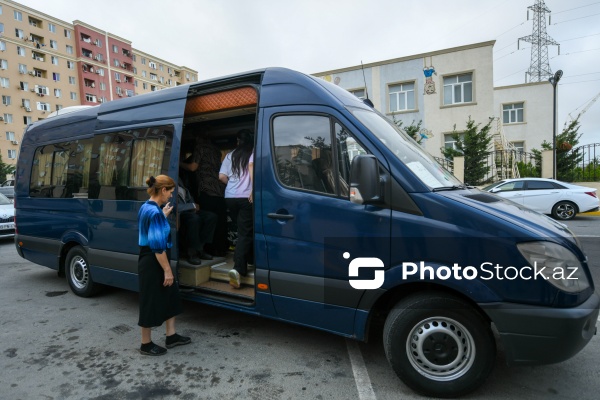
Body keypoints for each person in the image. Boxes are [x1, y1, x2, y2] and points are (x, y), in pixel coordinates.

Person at [137, 175, 191, 356]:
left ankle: (171, 336)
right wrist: (167, 270)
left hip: (153, 258)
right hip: (154, 260)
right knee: (150, 301)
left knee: (170, 295)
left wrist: (163, 215)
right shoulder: (154, 213)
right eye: (170, 192)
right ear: (162, 190)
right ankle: (146, 344)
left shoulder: (148, 207)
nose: (170, 196)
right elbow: (157, 247)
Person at [180, 136, 229, 256]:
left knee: (207, 217)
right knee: (220, 221)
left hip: (207, 190)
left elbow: (193, 167)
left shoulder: (200, 148)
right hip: (219, 190)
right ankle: (220, 249)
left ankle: (206, 249)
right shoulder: (216, 151)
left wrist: (179, 163)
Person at [219, 129, 254, 289]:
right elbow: (252, 169)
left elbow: (222, 177)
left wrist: (232, 186)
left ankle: (249, 260)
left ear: (238, 141)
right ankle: (238, 269)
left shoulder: (229, 155)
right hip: (245, 197)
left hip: (230, 197)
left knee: (242, 230)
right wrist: (252, 188)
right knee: (245, 232)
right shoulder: (252, 152)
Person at [177, 179, 217, 265]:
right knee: (194, 219)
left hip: (190, 210)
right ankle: (192, 253)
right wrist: (191, 206)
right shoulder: (166, 187)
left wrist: (193, 206)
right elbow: (173, 205)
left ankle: (200, 248)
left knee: (211, 217)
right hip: (180, 213)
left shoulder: (180, 181)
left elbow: (188, 197)